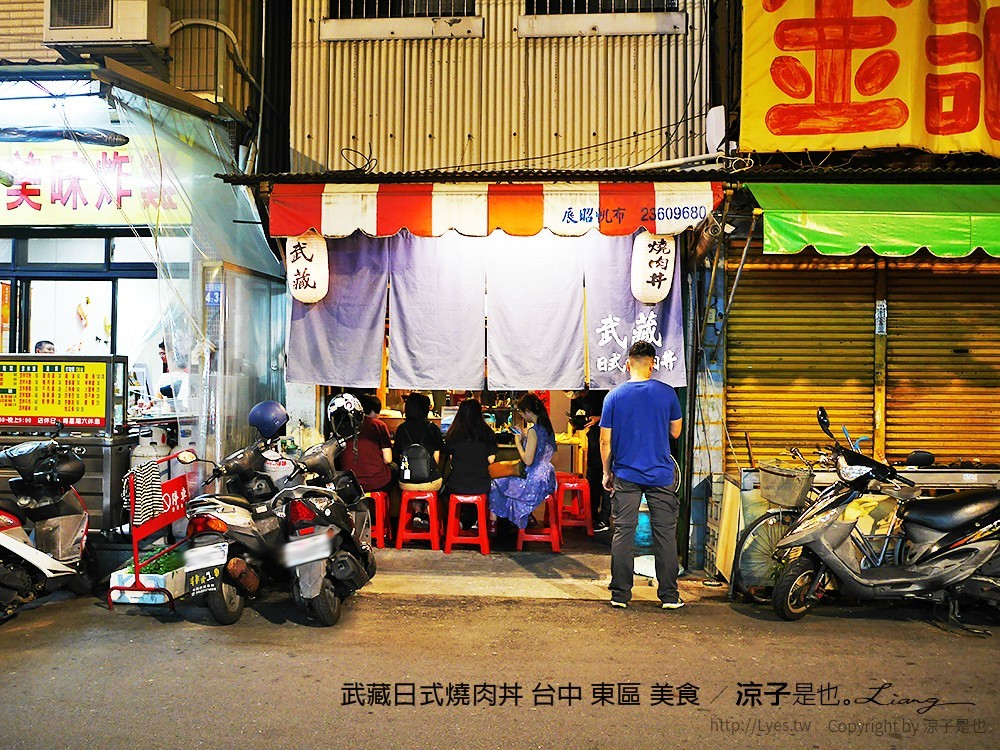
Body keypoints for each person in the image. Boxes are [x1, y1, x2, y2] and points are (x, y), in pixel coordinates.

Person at [600, 340, 684, 610]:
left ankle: (620, 594)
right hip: (660, 473)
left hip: (626, 473)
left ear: (628, 364)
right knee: (665, 534)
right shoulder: (667, 394)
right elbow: (676, 432)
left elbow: (605, 440)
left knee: (624, 532)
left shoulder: (614, 397)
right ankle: (669, 596)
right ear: (652, 364)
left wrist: (606, 472)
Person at [488, 392, 557, 533]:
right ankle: (528, 516)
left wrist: (518, 443)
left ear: (528, 411)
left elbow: (528, 461)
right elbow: (546, 450)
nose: (521, 415)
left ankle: (493, 524)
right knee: (507, 482)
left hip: (533, 480)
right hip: (547, 477)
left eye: (521, 412)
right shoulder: (547, 428)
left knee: (497, 483)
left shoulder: (534, 431)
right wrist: (525, 438)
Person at [442, 399, 497, 530]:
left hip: (457, 484)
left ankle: (460, 520)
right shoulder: (487, 434)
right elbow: (491, 460)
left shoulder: (452, 435)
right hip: (481, 485)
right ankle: (478, 520)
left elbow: (452, 458)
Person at [393, 391, 444, 530]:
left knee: (413, 481)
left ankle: (417, 512)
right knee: (432, 481)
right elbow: (436, 460)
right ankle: (427, 511)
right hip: (429, 482)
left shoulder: (401, 429)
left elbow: (398, 456)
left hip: (406, 483)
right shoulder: (433, 428)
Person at [570, 387, 611, 533]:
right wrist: (576, 422)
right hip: (593, 439)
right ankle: (591, 515)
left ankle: (604, 518)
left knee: (605, 479)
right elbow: (575, 416)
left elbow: (614, 414)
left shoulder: (601, 392)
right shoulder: (575, 397)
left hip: (606, 438)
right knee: (592, 478)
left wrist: (598, 418)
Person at [337, 393, 394, 496]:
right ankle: (387, 504)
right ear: (373, 411)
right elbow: (388, 459)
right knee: (395, 468)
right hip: (376, 482)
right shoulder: (378, 425)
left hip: (349, 482)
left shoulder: (344, 426)